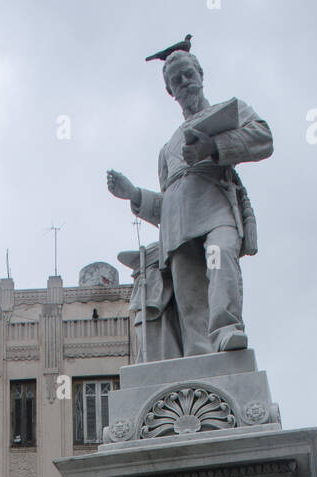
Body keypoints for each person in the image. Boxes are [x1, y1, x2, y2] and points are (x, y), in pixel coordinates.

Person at [107, 47, 272, 358]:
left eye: (188, 74)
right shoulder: (167, 148)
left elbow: (264, 138)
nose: (184, 82)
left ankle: (227, 330)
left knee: (220, 253)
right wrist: (134, 195)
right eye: (176, 80)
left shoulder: (229, 112)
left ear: (201, 76)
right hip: (179, 231)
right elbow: (169, 205)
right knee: (190, 298)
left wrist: (213, 146)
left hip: (216, 210)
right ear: (171, 91)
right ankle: (202, 362)